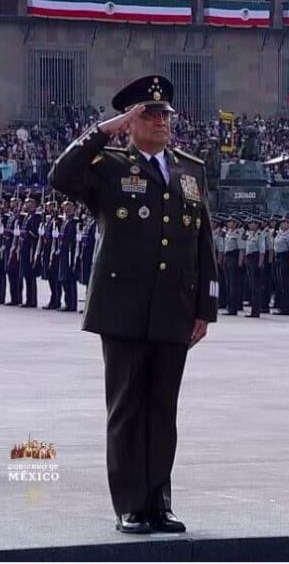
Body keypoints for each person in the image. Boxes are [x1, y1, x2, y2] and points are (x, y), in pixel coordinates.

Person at [48, 75, 218, 535]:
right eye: (150, 114)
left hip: (174, 307)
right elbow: (60, 176)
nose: (161, 121)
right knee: (127, 409)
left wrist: (206, 306)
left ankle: (159, 502)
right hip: (122, 307)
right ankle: (130, 505)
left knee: (163, 409)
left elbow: (202, 240)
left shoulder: (189, 169)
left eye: (166, 115)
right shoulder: (107, 165)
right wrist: (106, 130)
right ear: (131, 120)